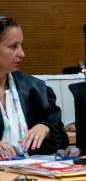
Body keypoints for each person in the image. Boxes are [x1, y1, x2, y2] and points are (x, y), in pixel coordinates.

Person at [0, 16, 69, 160]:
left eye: (21, 45)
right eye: (14, 46)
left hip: (29, 170)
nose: (22, 53)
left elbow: (62, 137)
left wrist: (47, 129)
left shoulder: (35, 88)